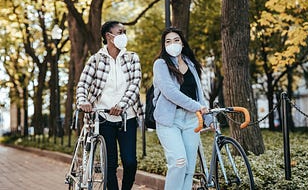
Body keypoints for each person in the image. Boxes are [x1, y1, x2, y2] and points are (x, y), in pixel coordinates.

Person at [76, 20, 142, 190]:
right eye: (120, 32)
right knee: (109, 165)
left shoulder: (132, 57)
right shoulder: (96, 60)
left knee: (130, 162)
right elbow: (83, 84)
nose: (124, 35)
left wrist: (121, 104)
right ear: (109, 36)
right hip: (103, 118)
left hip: (128, 117)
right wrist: (83, 101)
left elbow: (135, 84)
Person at [152, 27, 212, 190]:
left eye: (176, 40)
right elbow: (170, 92)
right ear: (164, 46)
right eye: (168, 41)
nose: (173, 44)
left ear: (183, 43)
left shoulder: (191, 64)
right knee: (179, 162)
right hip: (169, 121)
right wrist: (197, 107)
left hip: (193, 121)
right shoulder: (160, 64)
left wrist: (208, 118)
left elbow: (199, 92)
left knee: (188, 169)